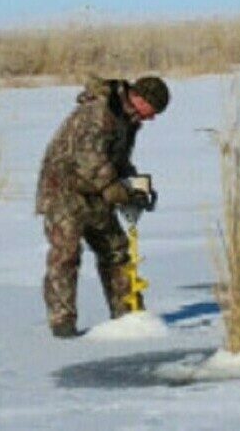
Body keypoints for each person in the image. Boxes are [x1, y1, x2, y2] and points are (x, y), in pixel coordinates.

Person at [35, 75, 170, 338]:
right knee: (66, 254)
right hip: (64, 190)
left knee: (116, 251)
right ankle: (62, 322)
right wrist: (115, 189)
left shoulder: (128, 119)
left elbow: (117, 160)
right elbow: (89, 158)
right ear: (140, 99)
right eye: (152, 112)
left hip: (95, 192)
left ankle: (128, 314)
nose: (151, 119)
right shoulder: (99, 111)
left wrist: (135, 186)